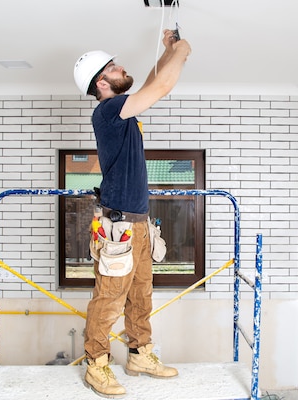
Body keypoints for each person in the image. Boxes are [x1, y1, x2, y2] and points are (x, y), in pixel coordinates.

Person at [73, 29, 191, 398]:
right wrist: (184, 50)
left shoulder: (121, 109)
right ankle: (97, 365)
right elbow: (161, 88)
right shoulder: (107, 110)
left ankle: (140, 354)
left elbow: (155, 80)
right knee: (108, 297)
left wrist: (169, 49)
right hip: (118, 225)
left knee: (141, 295)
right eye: (113, 65)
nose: (121, 66)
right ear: (102, 82)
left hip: (138, 224)